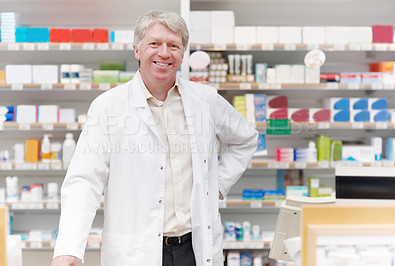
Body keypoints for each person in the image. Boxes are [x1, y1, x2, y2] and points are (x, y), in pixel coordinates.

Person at [51, 10, 258, 266]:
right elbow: (84, 181)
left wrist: (216, 185)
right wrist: (68, 249)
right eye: (154, 43)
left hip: (193, 248)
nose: (164, 53)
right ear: (137, 50)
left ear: (183, 54)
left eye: (174, 45)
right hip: (136, 251)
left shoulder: (205, 100)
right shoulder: (108, 107)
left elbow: (246, 139)